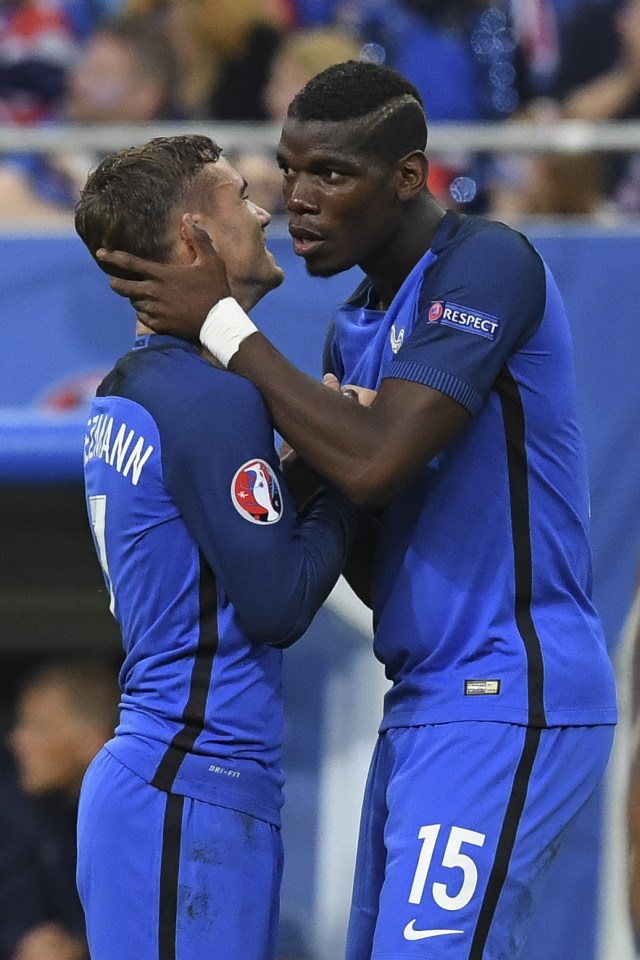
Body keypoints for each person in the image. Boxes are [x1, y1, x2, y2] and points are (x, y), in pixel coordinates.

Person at [97, 60, 618, 959]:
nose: (297, 198)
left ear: (409, 178)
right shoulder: (354, 325)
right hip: (421, 700)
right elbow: (376, 542)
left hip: (508, 684)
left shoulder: (489, 263)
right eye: (290, 169)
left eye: (331, 174)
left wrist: (225, 327)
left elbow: (374, 465)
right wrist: (308, 480)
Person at [73, 132, 356, 960]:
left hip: (175, 783)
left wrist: (300, 482)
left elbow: (209, 557)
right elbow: (275, 606)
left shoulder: (139, 386)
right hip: (190, 783)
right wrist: (352, 477)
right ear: (194, 240)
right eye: (240, 197)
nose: (266, 209)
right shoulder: (210, 399)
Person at [0, 660, 119, 960]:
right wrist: (23, 938)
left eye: (38, 726)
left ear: (94, 741)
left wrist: (80, 945)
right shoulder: (17, 815)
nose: (17, 741)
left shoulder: (142, 827)